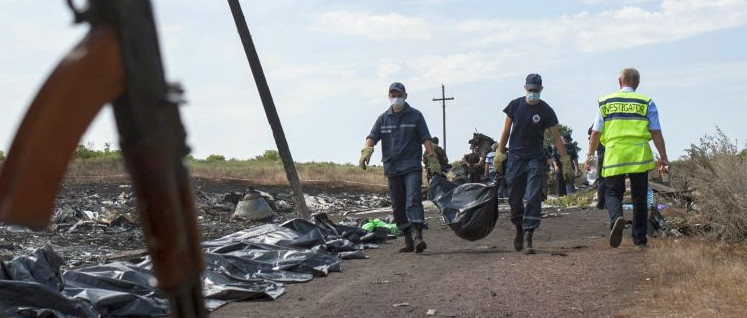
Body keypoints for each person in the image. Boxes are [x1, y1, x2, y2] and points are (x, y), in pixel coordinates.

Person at [585, 67, 669, 249]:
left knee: (612, 192)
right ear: (637, 83)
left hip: (615, 155)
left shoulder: (606, 102)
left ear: (619, 82)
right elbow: (655, 131)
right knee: (640, 198)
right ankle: (640, 239)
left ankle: (617, 218)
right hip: (639, 156)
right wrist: (663, 157)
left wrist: (589, 155)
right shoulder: (646, 102)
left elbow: (596, 132)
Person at [496, 73, 573, 254]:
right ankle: (519, 229)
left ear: (541, 90)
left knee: (533, 196)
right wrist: (500, 153)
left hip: (535, 159)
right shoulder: (515, 106)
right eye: (530, 90)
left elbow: (556, 138)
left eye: (536, 90)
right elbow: (506, 131)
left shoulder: (546, 110)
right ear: (525, 88)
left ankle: (529, 235)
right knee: (515, 199)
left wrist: (565, 162)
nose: (532, 93)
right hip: (515, 158)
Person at [359, 82, 440, 253]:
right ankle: (408, 239)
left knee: (413, 199)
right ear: (389, 96)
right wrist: (366, 152)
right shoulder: (383, 118)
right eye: (393, 95)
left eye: (399, 95)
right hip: (392, 167)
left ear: (405, 96)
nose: (396, 98)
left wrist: (432, 158)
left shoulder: (416, 116)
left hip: (411, 166)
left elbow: (426, 138)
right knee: (397, 205)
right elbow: (372, 136)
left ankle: (418, 236)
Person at [588, 125, 606, 210]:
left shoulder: (599, 123)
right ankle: (604, 202)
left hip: (601, 153)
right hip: (611, 151)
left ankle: (601, 203)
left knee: (601, 178)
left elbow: (592, 133)